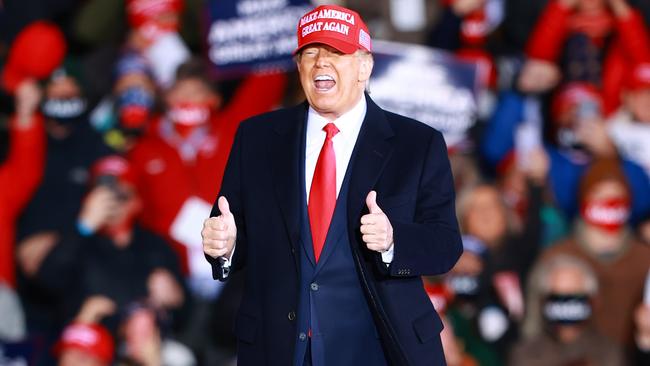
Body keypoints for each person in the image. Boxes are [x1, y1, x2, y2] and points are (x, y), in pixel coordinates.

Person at [202, 4, 463, 366]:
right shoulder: (257, 138)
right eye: (310, 53)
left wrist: (392, 241)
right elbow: (232, 231)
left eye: (335, 52)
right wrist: (226, 246)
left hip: (379, 349)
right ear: (299, 68)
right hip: (277, 349)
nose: (321, 63)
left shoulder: (417, 144)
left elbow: (445, 245)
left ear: (364, 66)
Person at [511, 254, 625, 366]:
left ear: (592, 301)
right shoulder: (524, 354)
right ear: (544, 301)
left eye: (573, 295)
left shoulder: (610, 354)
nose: (565, 303)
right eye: (557, 295)